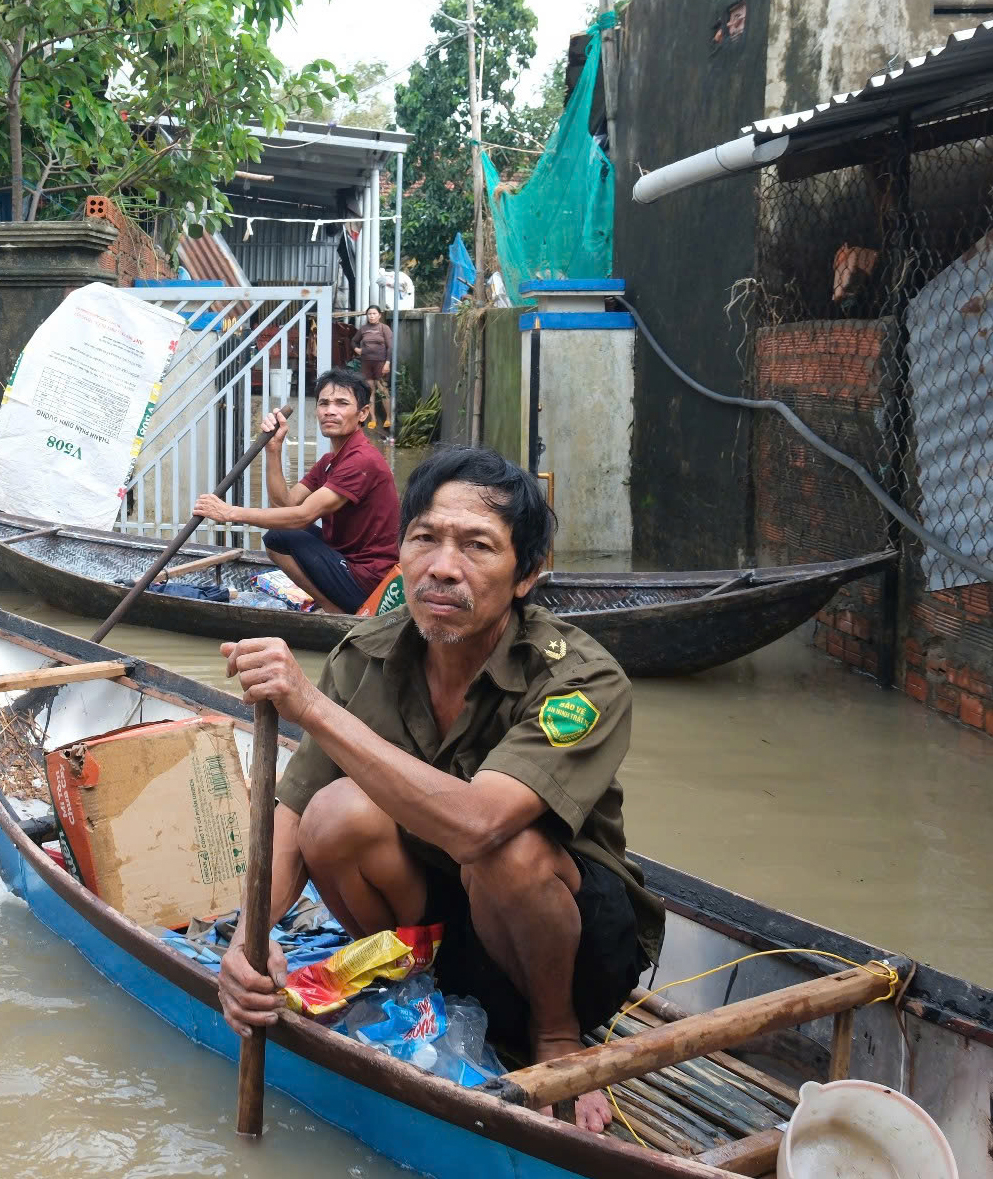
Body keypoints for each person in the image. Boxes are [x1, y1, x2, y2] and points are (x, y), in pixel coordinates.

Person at [214, 446, 665, 1134]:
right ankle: (418, 992)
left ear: (527, 573)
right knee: (331, 816)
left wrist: (311, 707)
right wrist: (250, 942)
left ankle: (554, 1039)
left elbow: (480, 825)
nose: (443, 566)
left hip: (576, 954)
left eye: (477, 545)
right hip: (450, 935)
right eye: (425, 538)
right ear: (400, 553)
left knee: (506, 850)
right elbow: (290, 810)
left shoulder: (581, 678)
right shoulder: (368, 653)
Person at [193, 369, 399, 614]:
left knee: (282, 535)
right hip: (345, 563)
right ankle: (334, 607)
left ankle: (337, 612)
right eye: (324, 403)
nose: (330, 411)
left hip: (368, 580)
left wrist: (229, 512)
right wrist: (273, 448)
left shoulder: (362, 460)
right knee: (277, 536)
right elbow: (285, 503)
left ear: (362, 413)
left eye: (342, 403)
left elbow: (302, 516)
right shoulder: (331, 461)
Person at [353, 305, 394, 428]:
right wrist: (357, 349)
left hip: (380, 363)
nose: (371, 316)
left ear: (379, 315)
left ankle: (388, 418)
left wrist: (387, 363)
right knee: (370, 391)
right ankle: (373, 419)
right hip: (366, 363)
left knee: (383, 390)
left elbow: (390, 347)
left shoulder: (384, 328)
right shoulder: (364, 329)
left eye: (374, 313)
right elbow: (353, 341)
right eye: (369, 314)